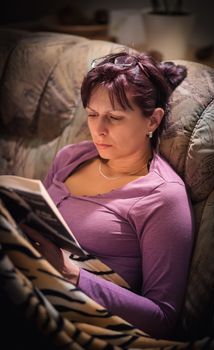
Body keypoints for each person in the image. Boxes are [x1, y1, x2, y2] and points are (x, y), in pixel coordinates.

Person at [26, 51, 194, 340]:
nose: (99, 130)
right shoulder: (70, 158)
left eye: (114, 117)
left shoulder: (162, 196)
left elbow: (162, 317)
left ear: (152, 121)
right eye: (92, 114)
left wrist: (71, 274)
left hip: (76, 318)